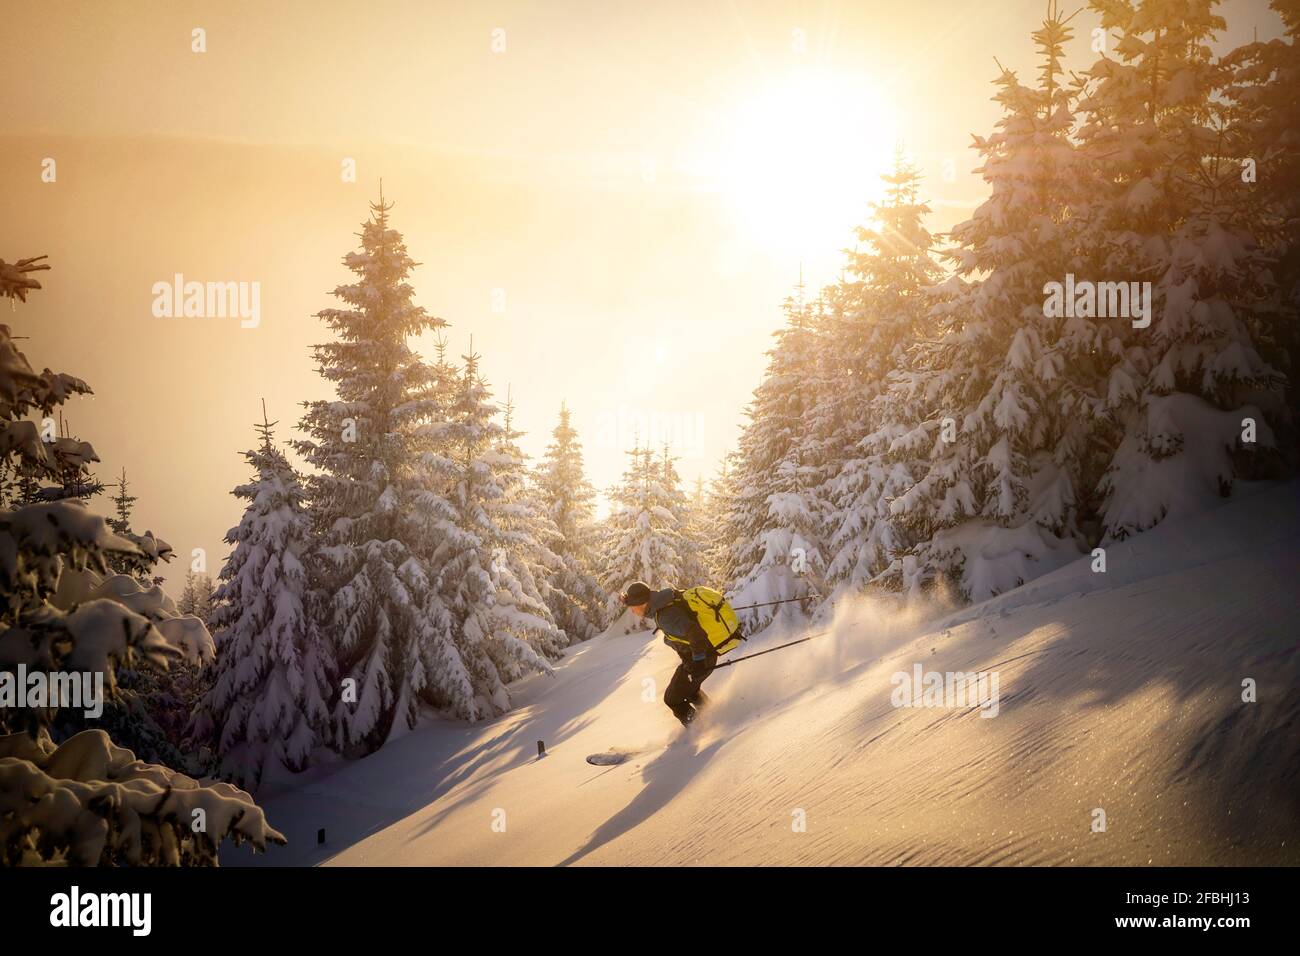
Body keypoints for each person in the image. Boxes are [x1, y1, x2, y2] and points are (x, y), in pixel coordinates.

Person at [621, 580, 727, 727]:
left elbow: (695, 632)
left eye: (633, 607)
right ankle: (714, 719)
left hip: (699, 660)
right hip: (705, 656)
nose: (633, 611)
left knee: (672, 699)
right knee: (690, 692)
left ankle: (699, 728)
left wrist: (698, 661)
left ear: (641, 603)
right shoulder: (665, 601)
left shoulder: (665, 615)